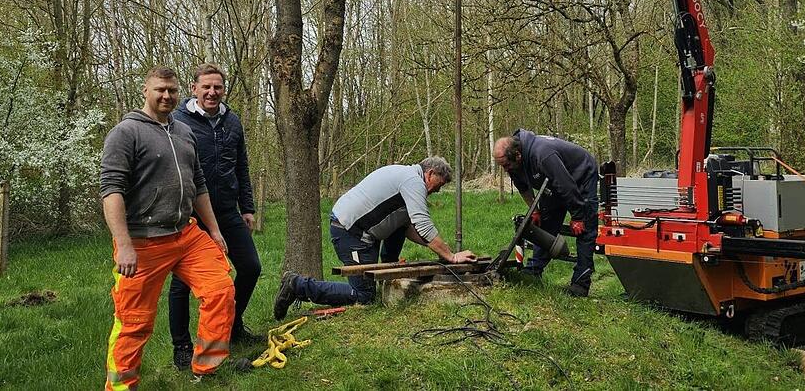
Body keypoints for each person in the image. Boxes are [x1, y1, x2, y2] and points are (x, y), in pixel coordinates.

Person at [100, 66, 236, 389]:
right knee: (134, 322)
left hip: (186, 234)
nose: (166, 96)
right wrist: (124, 243)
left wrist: (214, 231)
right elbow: (111, 190)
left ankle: (205, 370)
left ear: (180, 93)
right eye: (160, 90)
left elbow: (198, 184)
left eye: (172, 91)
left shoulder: (183, 131)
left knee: (220, 290)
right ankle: (120, 386)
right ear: (145, 91)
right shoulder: (126, 133)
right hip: (142, 241)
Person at [272, 157, 476, 319]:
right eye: (437, 185)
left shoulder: (405, 175)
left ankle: (387, 272)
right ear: (430, 173)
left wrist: (438, 249)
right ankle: (297, 285)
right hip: (350, 232)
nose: (436, 191)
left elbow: (410, 229)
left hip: (361, 231)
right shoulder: (414, 181)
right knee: (363, 296)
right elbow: (422, 222)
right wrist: (451, 256)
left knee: (401, 222)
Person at [167, 64, 262, 369]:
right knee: (182, 284)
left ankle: (232, 327)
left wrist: (247, 207)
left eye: (217, 87)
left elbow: (242, 166)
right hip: (190, 216)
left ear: (223, 90)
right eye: (206, 87)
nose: (212, 92)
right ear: (194, 89)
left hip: (226, 211)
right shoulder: (177, 122)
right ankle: (182, 347)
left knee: (250, 267)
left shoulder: (232, 122)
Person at [493, 129, 598, 297]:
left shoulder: (542, 154)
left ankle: (580, 284)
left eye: (506, 165)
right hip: (553, 182)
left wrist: (578, 216)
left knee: (584, 229)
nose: (505, 170)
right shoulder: (514, 162)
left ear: (518, 155)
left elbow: (566, 186)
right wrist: (534, 210)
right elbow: (524, 188)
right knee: (545, 225)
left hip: (580, 176)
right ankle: (533, 271)